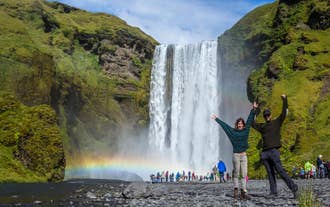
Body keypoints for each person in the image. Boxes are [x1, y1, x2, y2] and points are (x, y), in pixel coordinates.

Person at [252, 94, 298, 198]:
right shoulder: (262, 126)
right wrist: (254, 110)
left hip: (273, 151)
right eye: (265, 115)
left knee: (280, 171)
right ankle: (273, 192)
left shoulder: (277, 122)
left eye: (268, 115)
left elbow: (284, 113)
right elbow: (252, 123)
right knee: (270, 173)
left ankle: (294, 187)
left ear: (271, 115)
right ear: (264, 117)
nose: (267, 116)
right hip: (265, 153)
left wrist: (285, 99)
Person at [212, 101, 257, 200]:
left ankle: (244, 191)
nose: (240, 125)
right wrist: (217, 119)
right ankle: (236, 190)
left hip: (244, 155)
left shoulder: (246, 130)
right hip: (236, 155)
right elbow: (225, 127)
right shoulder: (232, 132)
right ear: (237, 125)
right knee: (236, 173)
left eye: (241, 123)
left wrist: (253, 109)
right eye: (239, 124)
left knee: (244, 174)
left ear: (243, 125)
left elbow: (249, 120)